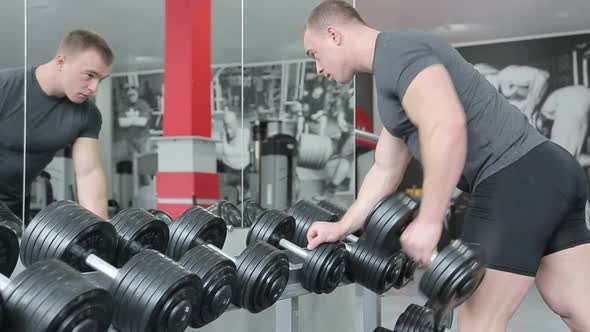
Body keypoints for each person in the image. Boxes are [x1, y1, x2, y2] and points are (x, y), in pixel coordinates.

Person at [302, 1, 590, 331]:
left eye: (314, 54)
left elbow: (448, 126)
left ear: (334, 35)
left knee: (479, 320)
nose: (318, 69)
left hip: (515, 177)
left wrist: (429, 221)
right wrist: (341, 226)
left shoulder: (399, 53)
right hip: (551, 169)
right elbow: (385, 168)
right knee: (574, 305)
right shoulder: (393, 74)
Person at [0, 29, 113, 221]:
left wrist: (102, 232)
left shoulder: (88, 114)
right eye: (89, 75)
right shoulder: (5, 86)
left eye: (100, 80)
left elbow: (88, 173)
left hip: (14, 206)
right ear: (61, 62)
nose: (94, 88)